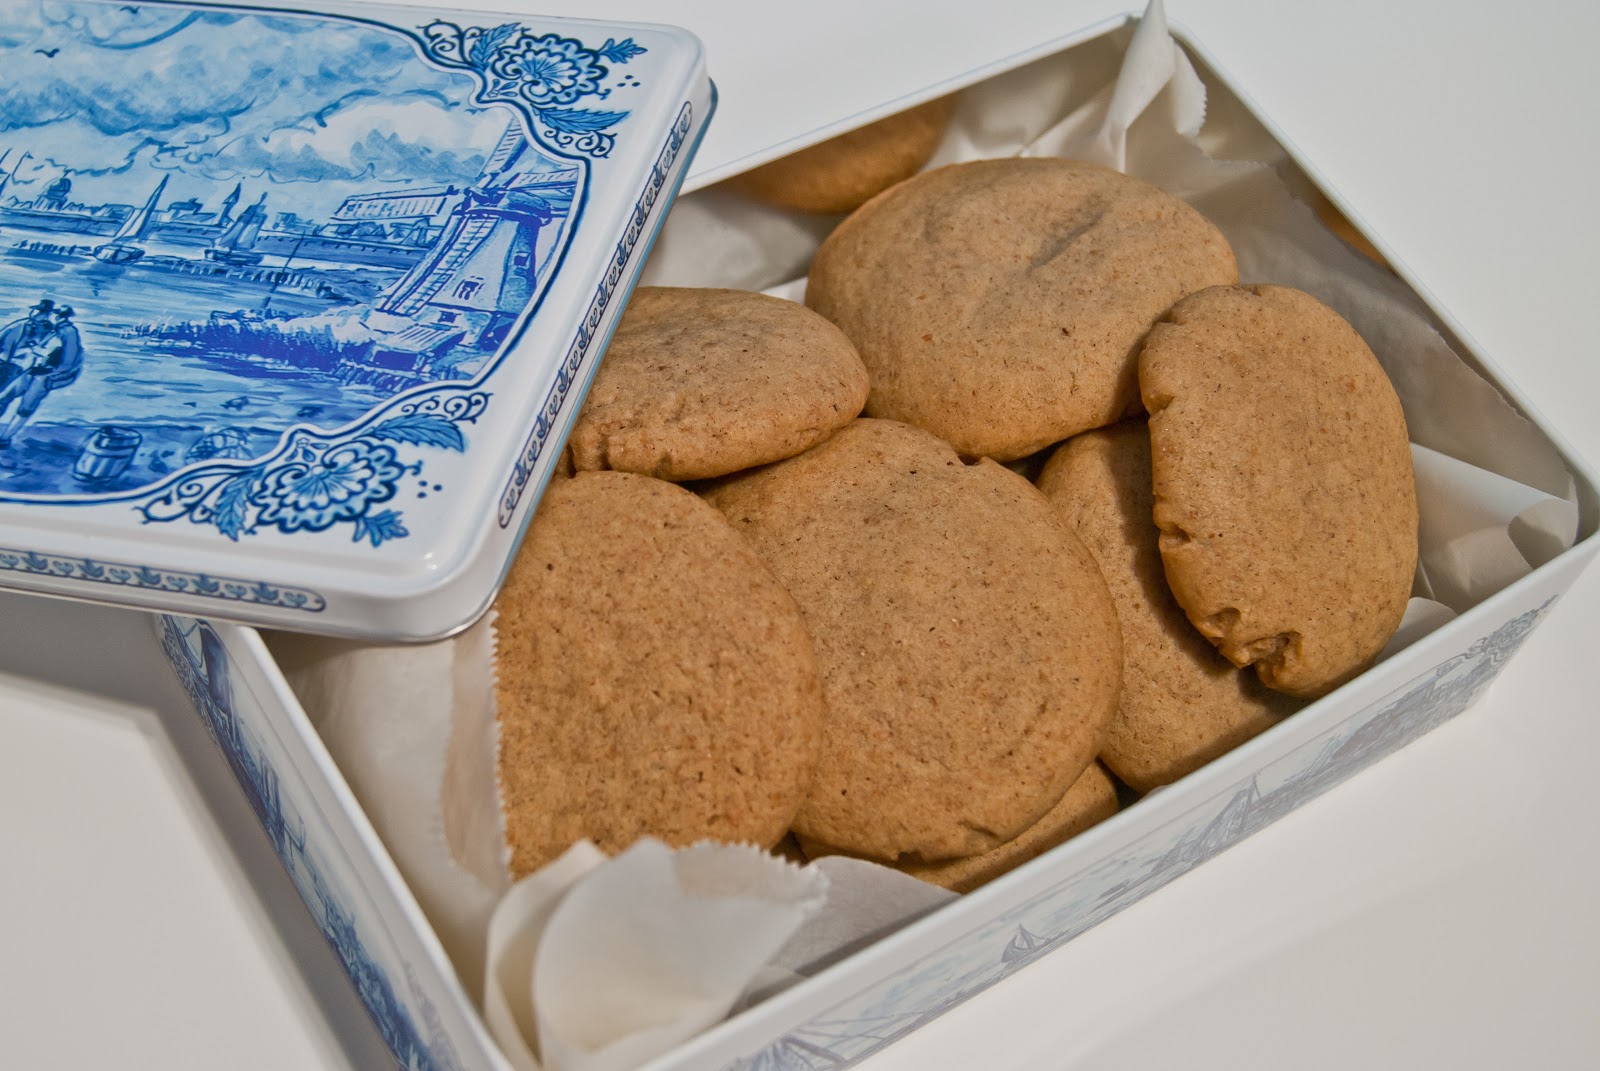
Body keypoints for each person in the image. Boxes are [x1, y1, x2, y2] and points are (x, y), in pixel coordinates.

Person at [0, 302, 84, 449]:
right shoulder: (54, 329)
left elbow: (67, 361)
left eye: (56, 314)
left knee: (25, 407)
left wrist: (49, 369)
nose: (54, 316)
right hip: (33, 370)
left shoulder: (68, 332)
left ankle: (5, 439)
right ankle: (5, 438)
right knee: (6, 397)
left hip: (44, 376)